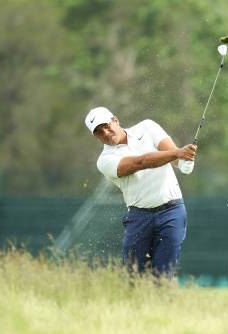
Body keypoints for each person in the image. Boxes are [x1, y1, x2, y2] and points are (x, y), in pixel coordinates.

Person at [84, 106, 197, 278]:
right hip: (139, 217)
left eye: (106, 125)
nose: (105, 132)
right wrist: (178, 153)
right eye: (99, 132)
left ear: (116, 120)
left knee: (163, 275)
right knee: (134, 277)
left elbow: (173, 155)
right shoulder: (104, 161)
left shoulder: (147, 127)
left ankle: (161, 303)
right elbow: (140, 162)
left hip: (172, 212)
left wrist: (184, 162)